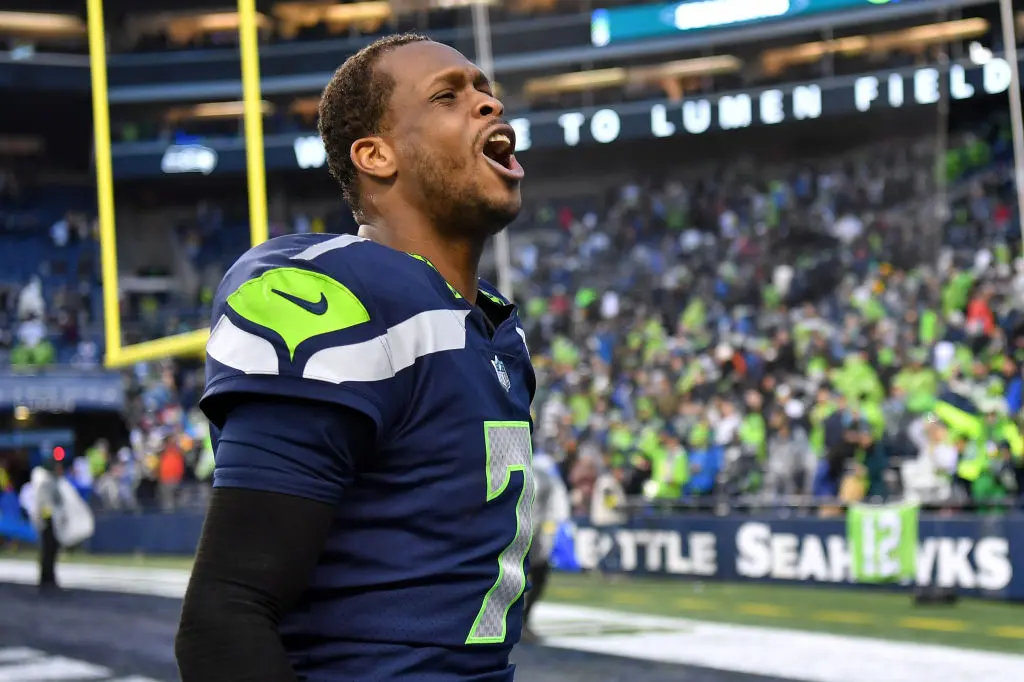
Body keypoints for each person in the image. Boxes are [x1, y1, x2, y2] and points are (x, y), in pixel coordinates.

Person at [176, 33, 536, 682]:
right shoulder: (329, 295)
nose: (487, 104)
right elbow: (223, 622)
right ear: (375, 155)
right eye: (448, 96)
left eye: (486, 90)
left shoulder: (494, 329)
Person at [522, 450, 570, 642]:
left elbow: (553, 507)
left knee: (538, 576)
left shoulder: (542, 471)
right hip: (516, 532)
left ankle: (523, 620)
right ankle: (515, 621)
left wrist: (550, 530)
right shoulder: (536, 471)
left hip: (534, 532)